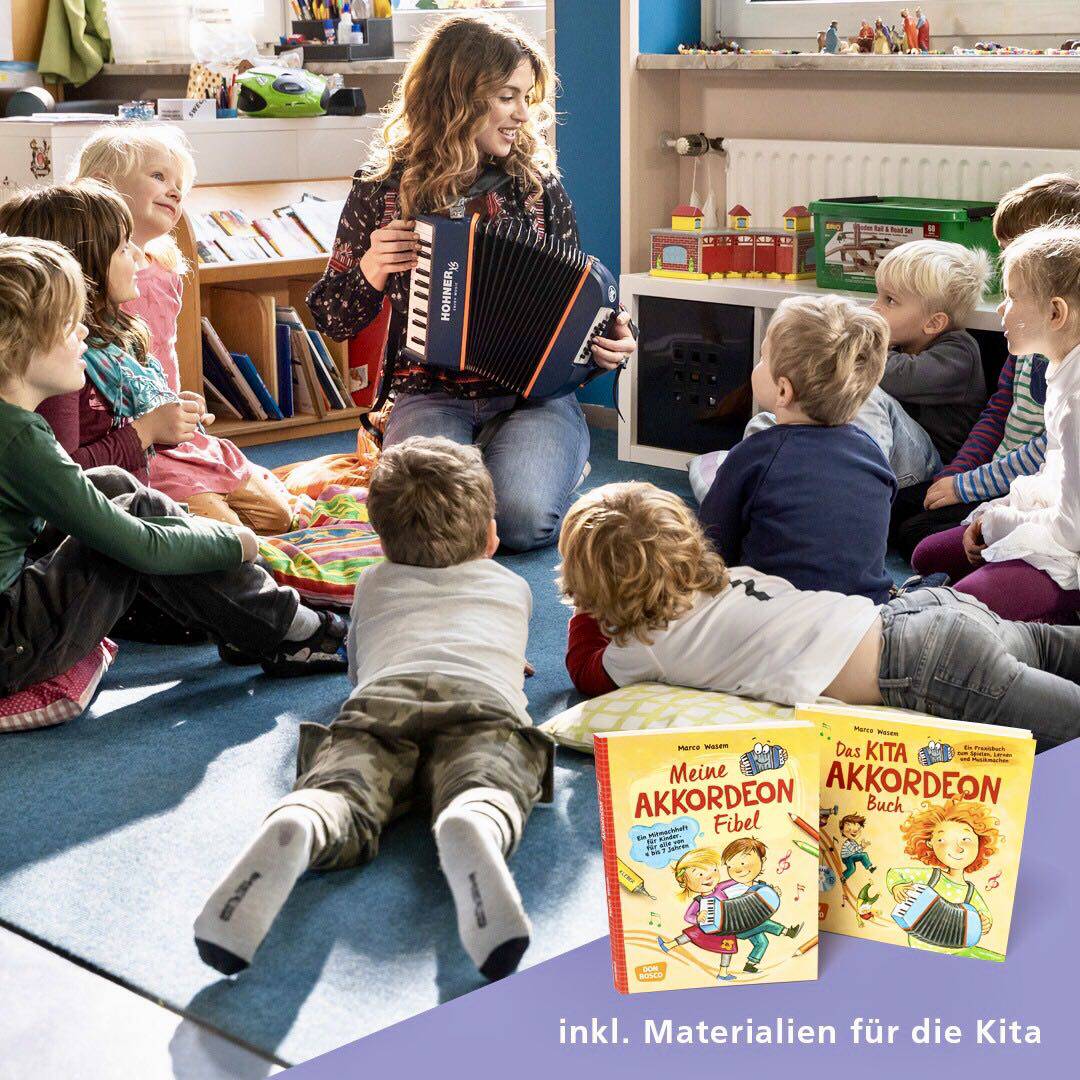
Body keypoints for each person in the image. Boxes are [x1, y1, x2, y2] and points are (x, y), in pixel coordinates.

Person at [194, 437, 555, 981]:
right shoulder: (513, 586)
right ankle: (476, 816)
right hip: (481, 701)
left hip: (381, 699)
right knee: (491, 768)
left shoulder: (372, 581)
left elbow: (358, 671)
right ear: (490, 535)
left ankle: (309, 818)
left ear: (380, 541)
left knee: (348, 779)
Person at [306, 13, 635, 552]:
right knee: (430, 529)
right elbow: (332, 318)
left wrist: (616, 338)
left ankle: (542, 466)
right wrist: (370, 269)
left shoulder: (537, 188)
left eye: (527, 97)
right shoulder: (382, 189)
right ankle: (485, 462)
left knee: (519, 523)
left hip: (533, 398)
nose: (523, 114)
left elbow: (583, 300)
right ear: (457, 97)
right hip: (428, 393)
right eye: (508, 97)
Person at [0, 235, 347, 698]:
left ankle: (255, 620)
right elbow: (139, 545)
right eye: (68, 324)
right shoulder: (19, 439)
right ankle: (294, 630)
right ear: (15, 345)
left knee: (112, 484)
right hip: (10, 645)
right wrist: (236, 543)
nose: (83, 332)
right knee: (136, 519)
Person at [559, 481, 1080, 752]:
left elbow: (584, 668)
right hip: (925, 609)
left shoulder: (644, 647)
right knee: (1051, 647)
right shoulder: (734, 576)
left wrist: (586, 606)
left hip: (924, 666)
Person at [68, 123, 294, 533]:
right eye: (158, 176)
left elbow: (164, 359)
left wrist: (179, 403)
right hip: (130, 437)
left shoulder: (165, 269)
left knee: (279, 516)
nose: (174, 192)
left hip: (173, 432)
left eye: (179, 186)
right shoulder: (82, 278)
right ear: (101, 184)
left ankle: (212, 491)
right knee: (228, 535)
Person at [894, 173, 1080, 560]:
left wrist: (969, 489)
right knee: (896, 506)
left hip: (1023, 492)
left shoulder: (1067, 372)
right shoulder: (1024, 343)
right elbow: (997, 412)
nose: (1005, 263)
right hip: (998, 482)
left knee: (918, 537)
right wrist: (956, 475)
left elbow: (1046, 457)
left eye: (1017, 254)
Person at [912, 224, 1080, 623]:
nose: (1001, 309)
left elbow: (1071, 529)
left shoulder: (1076, 400)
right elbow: (1054, 472)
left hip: (1071, 545)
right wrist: (998, 509)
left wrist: (997, 524)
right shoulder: (1061, 368)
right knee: (927, 555)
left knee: (958, 614)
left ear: (1055, 313)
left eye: (1011, 297)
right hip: (1060, 518)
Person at [698, 294, 896, 602]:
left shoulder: (753, 456)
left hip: (773, 610)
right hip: (863, 612)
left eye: (762, 358)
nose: (757, 364)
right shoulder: (873, 454)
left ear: (783, 390)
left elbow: (711, 546)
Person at [871, 239, 991, 470]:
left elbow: (900, 376)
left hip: (934, 466)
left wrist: (858, 346)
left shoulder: (960, 353)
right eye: (878, 296)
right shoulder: (900, 343)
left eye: (890, 300)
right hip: (904, 455)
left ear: (933, 323)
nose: (874, 308)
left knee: (870, 397)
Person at [887, 799, 995, 955]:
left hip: (955, 952)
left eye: (965, 839)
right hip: (918, 948)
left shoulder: (970, 892)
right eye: (943, 840)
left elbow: (985, 915)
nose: (957, 848)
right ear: (929, 843)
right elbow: (896, 873)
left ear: (980, 842)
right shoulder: (932, 876)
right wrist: (896, 886)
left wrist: (984, 922)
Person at [838, 814, 875, 879]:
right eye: (849, 830)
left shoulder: (853, 842)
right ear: (842, 831)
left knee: (863, 855)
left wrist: (863, 846)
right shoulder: (847, 843)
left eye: (857, 830)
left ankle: (870, 867)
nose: (854, 833)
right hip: (846, 858)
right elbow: (854, 850)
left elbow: (857, 851)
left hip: (851, 856)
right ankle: (843, 877)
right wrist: (861, 846)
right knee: (852, 868)